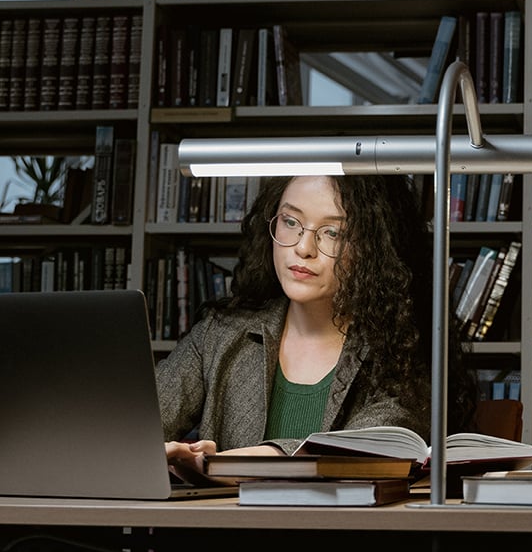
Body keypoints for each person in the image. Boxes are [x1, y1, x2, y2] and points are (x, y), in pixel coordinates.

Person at [158, 174, 477, 481]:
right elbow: (133, 424)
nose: (303, 248)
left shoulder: (403, 352)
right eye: (291, 222)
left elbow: (358, 454)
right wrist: (160, 451)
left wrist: (218, 466)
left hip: (344, 535)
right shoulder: (219, 333)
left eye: (333, 232)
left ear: (376, 248)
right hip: (219, 534)